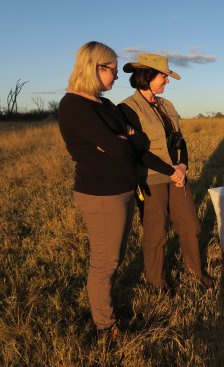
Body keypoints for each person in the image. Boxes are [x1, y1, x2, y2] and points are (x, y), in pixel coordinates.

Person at [58, 41, 151, 341]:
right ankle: (105, 328)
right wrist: (123, 141)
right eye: (111, 69)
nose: (116, 76)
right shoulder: (74, 105)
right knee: (104, 262)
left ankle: (106, 316)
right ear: (93, 68)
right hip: (100, 195)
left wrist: (126, 139)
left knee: (114, 258)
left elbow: (137, 144)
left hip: (121, 190)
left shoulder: (105, 105)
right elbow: (119, 149)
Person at [118, 53, 212, 290]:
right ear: (147, 75)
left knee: (190, 226)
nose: (167, 81)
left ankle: (195, 273)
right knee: (155, 232)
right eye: (163, 76)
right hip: (151, 177)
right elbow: (137, 149)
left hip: (176, 175)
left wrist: (183, 166)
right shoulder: (126, 109)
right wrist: (170, 171)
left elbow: (180, 140)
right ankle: (156, 283)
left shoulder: (166, 105)